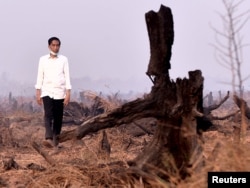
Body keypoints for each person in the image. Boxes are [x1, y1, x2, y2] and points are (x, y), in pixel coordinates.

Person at [35, 37, 72, 149]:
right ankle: (48, 137)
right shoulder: (42, 60)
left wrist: (68, 93)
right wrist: (38, 91)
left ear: (59, 46)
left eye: (57, 45)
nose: (55, 47)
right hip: (47, 91)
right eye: (53, 45)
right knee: (48, 114)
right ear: (49, 46)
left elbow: (67, 76)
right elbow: (40, 76)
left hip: (60, 92)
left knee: (58, 117)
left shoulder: (64, 60)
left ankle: (56, 140)